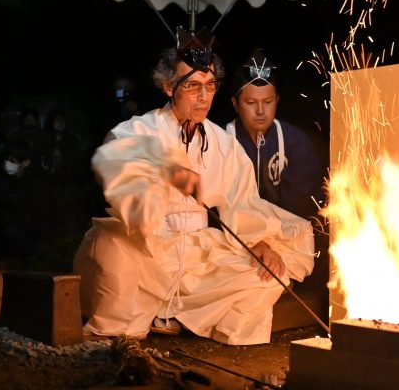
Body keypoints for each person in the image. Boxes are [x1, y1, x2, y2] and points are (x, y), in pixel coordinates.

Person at [73, 28, 315, 345]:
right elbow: (113, 158)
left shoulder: (223, 144)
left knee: (269, 273)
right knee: (112, 244)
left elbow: (242, 203)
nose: (204, 97)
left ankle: (185, 318)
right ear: (168, 86)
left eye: (210, 86)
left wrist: (261, 243)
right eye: (193, 86)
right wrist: (166, 170)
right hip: (150, 248)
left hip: (198, 254)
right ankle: (135, 322)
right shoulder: (142, 129)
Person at [226, 49, 326, 220]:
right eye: (250, 102)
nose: (260, 111)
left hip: (286, 235)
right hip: (236, 236)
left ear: (277, 101)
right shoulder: (220, 142)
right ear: (235, 104)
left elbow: (302, 209)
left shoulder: (295, 142)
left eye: (267, 102)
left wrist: (271, 237)